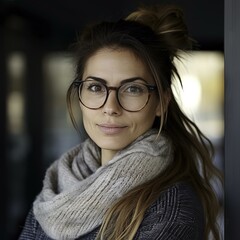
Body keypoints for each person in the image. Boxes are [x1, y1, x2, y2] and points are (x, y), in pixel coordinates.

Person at [19, 5, 223, 240]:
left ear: (162, 102)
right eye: (96, 87)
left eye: (132, 89)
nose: (111, 107)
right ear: (79, 94)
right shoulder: (56, 192)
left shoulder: (171, 207)